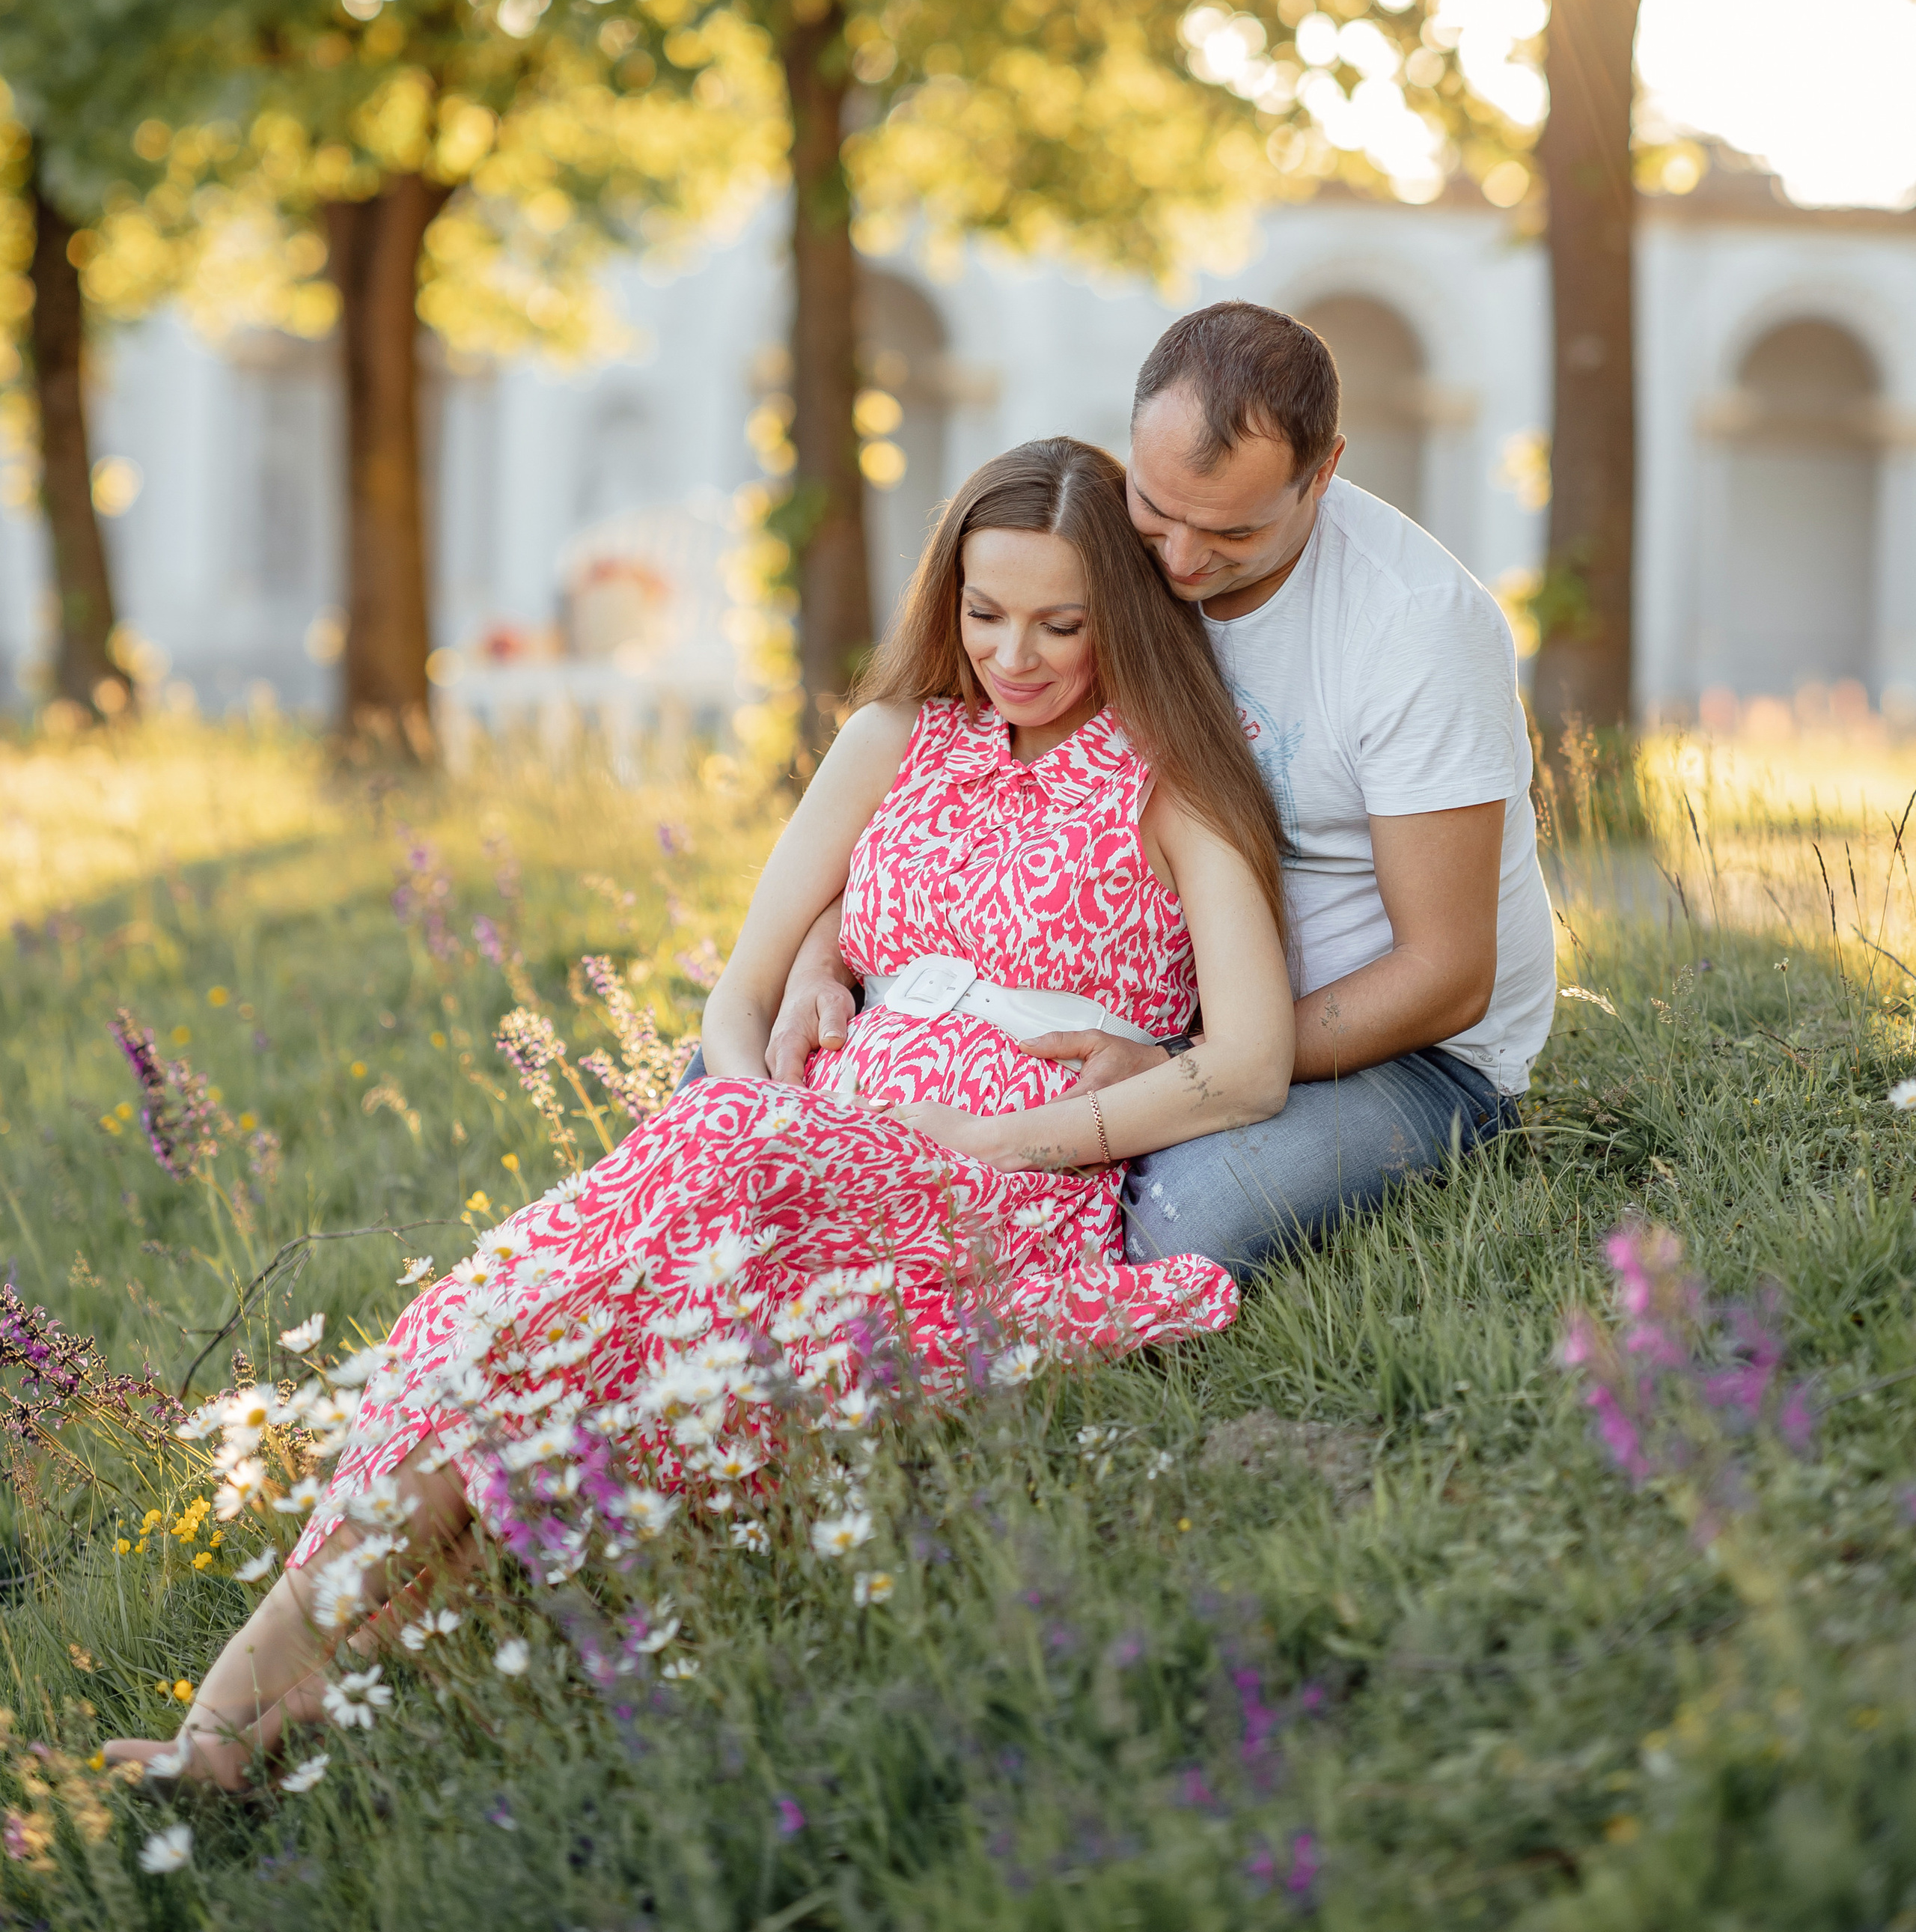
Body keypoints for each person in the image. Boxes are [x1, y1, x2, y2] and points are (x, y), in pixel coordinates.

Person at [106, 436, 1293, 1790]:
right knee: (522, 1340)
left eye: (1060, 624)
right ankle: (238, 1725)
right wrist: (753, 1101)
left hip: (992, 1183)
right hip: (780, 1152)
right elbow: (733, 1011)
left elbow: (1249, 1066)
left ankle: (252, 1725)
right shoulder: (895, 738)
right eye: (983, 613)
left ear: (1124, 616)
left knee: (563, 1347)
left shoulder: (1177, 777)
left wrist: (988, 1139)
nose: (1013, 654)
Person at [770, 301, 1555, 1282]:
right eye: (1158, 509)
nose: (1179, 562)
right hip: (1144, 1018)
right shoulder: (1102, 547)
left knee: (1177, 1226)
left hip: (1397, 1054)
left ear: (1325, 473)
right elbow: (934, 802)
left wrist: (1189, 1060)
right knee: (747, 1092)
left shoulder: (1414, 628)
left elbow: (1447, 974)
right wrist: (818, 965)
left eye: (1232, 530)